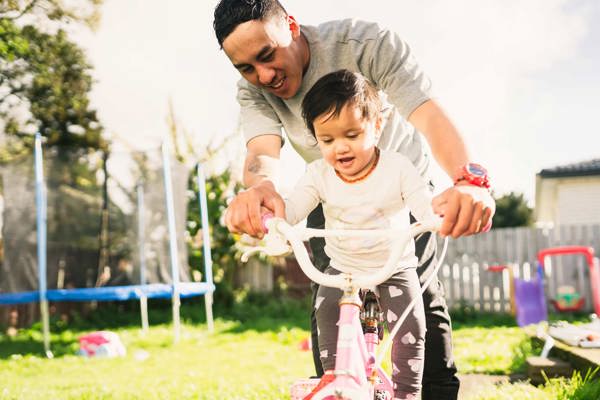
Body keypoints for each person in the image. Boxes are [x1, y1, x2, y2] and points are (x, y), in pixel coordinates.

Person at [213, 1, 495, 399]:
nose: (263, 75)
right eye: (246, 68)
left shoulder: (366, 44)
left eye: (267, 55)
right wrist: (259, 189)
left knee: (420, 305)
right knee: (328, 303)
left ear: (291, 27)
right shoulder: (253, 89)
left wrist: (468, 180)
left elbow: (427, 114)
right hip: (333, 198)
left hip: (401, 196)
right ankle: (339, 386)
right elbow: (262, 152)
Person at [285, 69, 436, 399]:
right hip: (344, 270)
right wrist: (273, 222)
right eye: (327, 140)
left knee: (412, 331)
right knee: (324, 313)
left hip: (393, 268)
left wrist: (437, 217)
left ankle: (407, 395)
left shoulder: (397, 168)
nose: (340, 148)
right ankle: (336, 384)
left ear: (377, 126)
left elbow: (424, 206)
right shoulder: (318, 174)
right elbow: (292, 209)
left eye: (352, 135)